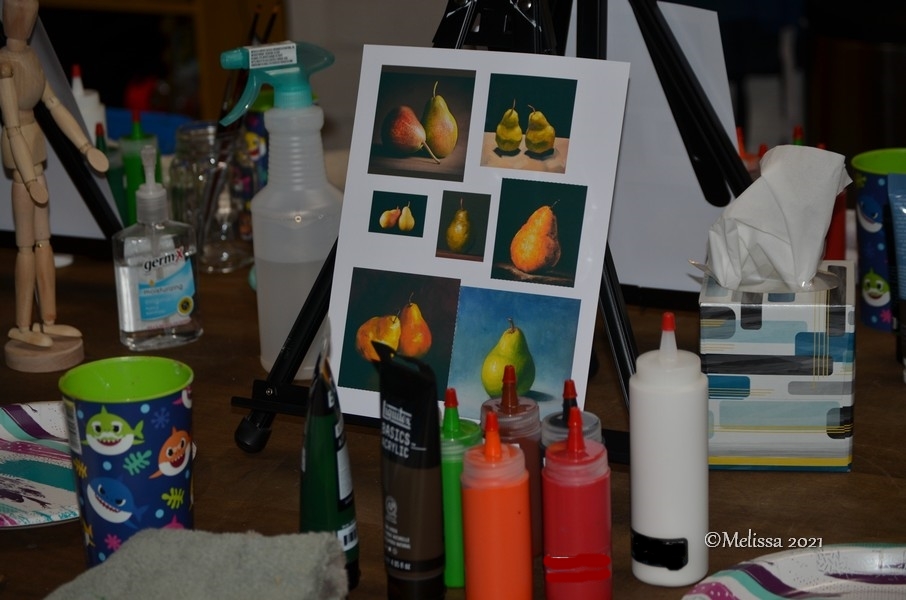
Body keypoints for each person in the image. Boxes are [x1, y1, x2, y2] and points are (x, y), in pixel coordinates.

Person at [1, 0, 108, 348]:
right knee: (25, 247)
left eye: (29, 10)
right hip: (22, 161)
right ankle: (23, 325)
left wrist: (85, 147)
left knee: (45, 242)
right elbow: (12, 127)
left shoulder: (32, 58)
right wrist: (30, 179)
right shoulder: (4, 65)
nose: (24, 17)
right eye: (18, 9)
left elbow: (54, 105)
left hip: (35, 151)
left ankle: (48, 320)